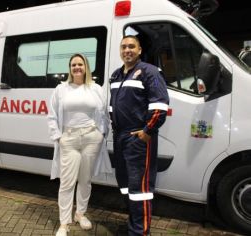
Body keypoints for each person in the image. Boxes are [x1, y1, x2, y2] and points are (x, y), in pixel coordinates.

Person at [109, 35, 169, 236]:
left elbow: (160, 105)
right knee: (125, 184)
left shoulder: (149, 72)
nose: (127, 50)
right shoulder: (116, 75)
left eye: (131, 46)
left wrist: (147, 131)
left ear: (139, 50)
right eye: (124, 46)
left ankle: (140, 232)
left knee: (139, 189)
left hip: (138, 138)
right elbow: (113, 106)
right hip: (120, 137)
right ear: (120, 50)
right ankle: (134, 224)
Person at [47, 53, 112, 236]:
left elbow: (104, 113)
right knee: (67, 183)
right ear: (70, 68)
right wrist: (58, 137)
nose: (77, 67)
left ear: (86, 67)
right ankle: (64, 223)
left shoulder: (95, 88)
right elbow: (52, 116)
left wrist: (102, 133)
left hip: (92, 138)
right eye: (73, 64)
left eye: (80, 64)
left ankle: (80, 214)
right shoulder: (61, 89)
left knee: (85, 180)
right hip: (69, 139)